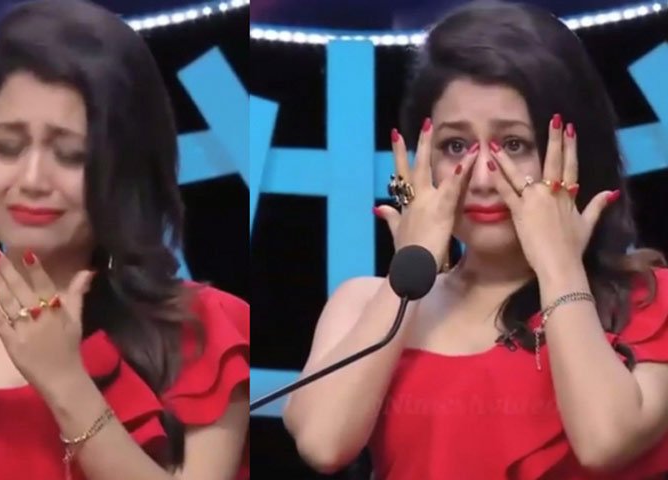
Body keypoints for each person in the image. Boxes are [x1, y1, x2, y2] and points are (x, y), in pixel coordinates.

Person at [282, 1, 668, 479]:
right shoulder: (364, 302)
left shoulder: (647, 301)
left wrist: (559, 265)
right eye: (455, 146)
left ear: (575, 151)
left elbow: (605, 441)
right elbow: (323, 443)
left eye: (514, 145)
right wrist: (410, 271)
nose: (483, 178)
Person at [0, 1, 249, 479]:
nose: (31, 179)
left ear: (125, 168)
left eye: (70, 154)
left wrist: (65, 380)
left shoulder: (201, 331)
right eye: (7, 147)